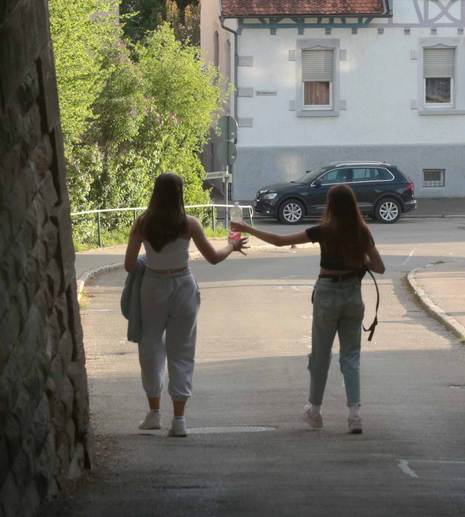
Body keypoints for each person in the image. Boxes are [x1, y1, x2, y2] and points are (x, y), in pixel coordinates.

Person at [231, 183, 385, 434]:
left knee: (321, 354)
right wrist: (357, 259)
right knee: (351, 356)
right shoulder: (362, 231)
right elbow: (379, 267)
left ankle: (315, 411)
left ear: (331, 205)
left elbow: (280, 241)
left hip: (327, 294)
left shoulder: (324, 230)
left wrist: (247, 228)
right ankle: (354, 414)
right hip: (353, 295)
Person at [124, 173, 246, 437]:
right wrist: (232, 246)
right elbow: (213, 258)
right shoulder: (189, 224)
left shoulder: (142, 224)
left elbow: (129, 265)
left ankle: (154, 414)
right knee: (182, 352)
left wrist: (151, 259)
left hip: (152, 289)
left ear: (155, 194)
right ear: (179, 194)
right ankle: (179, 420)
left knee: (150, 348)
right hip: (183, 287)